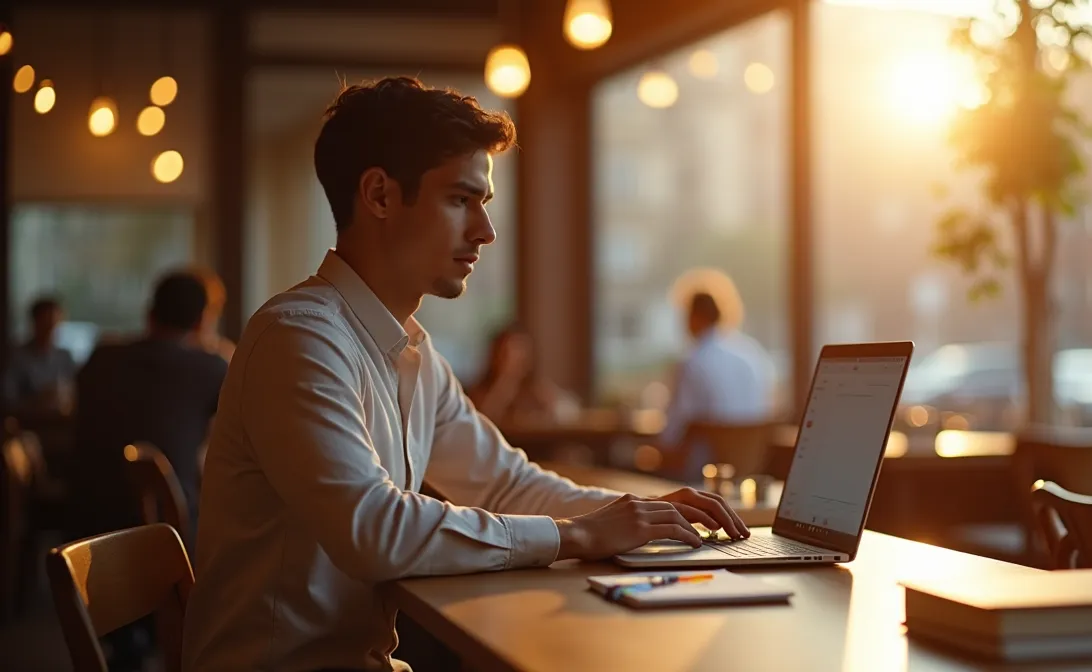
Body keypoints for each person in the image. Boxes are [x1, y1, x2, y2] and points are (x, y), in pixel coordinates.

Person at [181, 76, 748, 672]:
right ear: (378, 195)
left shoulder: (413, 355)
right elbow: (373, 529)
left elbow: (507, 485)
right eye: (460, 199)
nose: (485, 230)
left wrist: (644, 517)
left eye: (484, 203)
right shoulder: (299, 339)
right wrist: (578, 535)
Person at [70, 270, 228, 671]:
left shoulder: (100, 357)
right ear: (202, 320)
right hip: (169, 532)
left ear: (150, 313)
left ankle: (132, 634)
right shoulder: (209, 367)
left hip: (86, 527)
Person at [658, 270, 775, 480]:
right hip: (749, 469)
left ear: (693, 317)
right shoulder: (752, 354)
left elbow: (673, 432)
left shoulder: (692, 361)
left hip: (702, 474)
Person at [466, 322, 578, 424]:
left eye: (518, 354)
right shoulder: (478, 394)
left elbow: (569, 411)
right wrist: (503, 385)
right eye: (505, 354)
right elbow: (479, 422)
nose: (511, 360)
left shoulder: (537, 391)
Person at [4, 297, 77, 415]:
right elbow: (8, 398)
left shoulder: (64, 356)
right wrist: (38, 399)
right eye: (46, 323)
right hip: (29, 422)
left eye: (54, 323)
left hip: (61, 422)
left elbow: (75, 392)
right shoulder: (17, 356)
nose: (50, 329)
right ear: (35, 322)